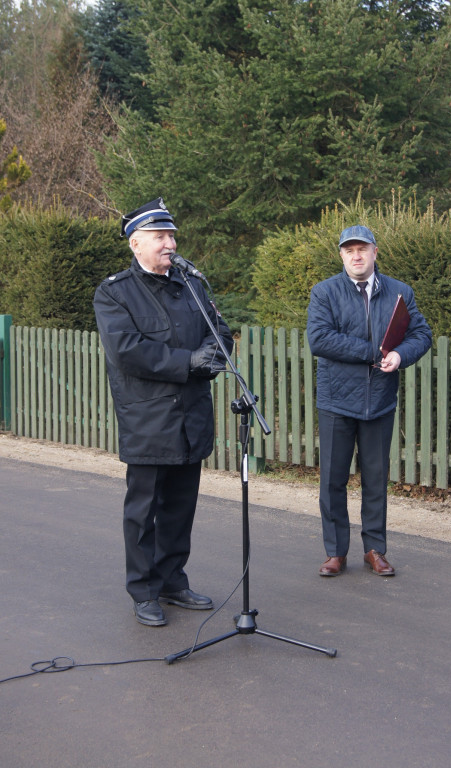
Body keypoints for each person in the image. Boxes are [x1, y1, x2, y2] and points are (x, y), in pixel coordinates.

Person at [94, 197, 233, 626]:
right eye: (160, 236)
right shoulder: (114, 292)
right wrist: (187, 363)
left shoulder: (191, 283)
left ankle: (173, 581)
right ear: (136, 243)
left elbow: (220, 331)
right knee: (143, 512)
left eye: (171, 235)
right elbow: (127, 351)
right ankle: (144, 590)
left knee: (180, 507)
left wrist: (216, 355)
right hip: (148, 420)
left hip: (191, 417)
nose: (169, 243)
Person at [307, 225, 432, 578]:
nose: (356, 256)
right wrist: (372, 352)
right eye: (349, 250)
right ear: (342, 256)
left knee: (376, 479)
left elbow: (421, 334)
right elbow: (319, 339)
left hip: (380, 400)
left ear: (375, 252)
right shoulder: (325, 293)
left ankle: (375, 550)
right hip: (335, 401)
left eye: (363, 249)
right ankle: (335, 552)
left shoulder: (399, 292)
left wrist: (400, 356)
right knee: (333, 479)